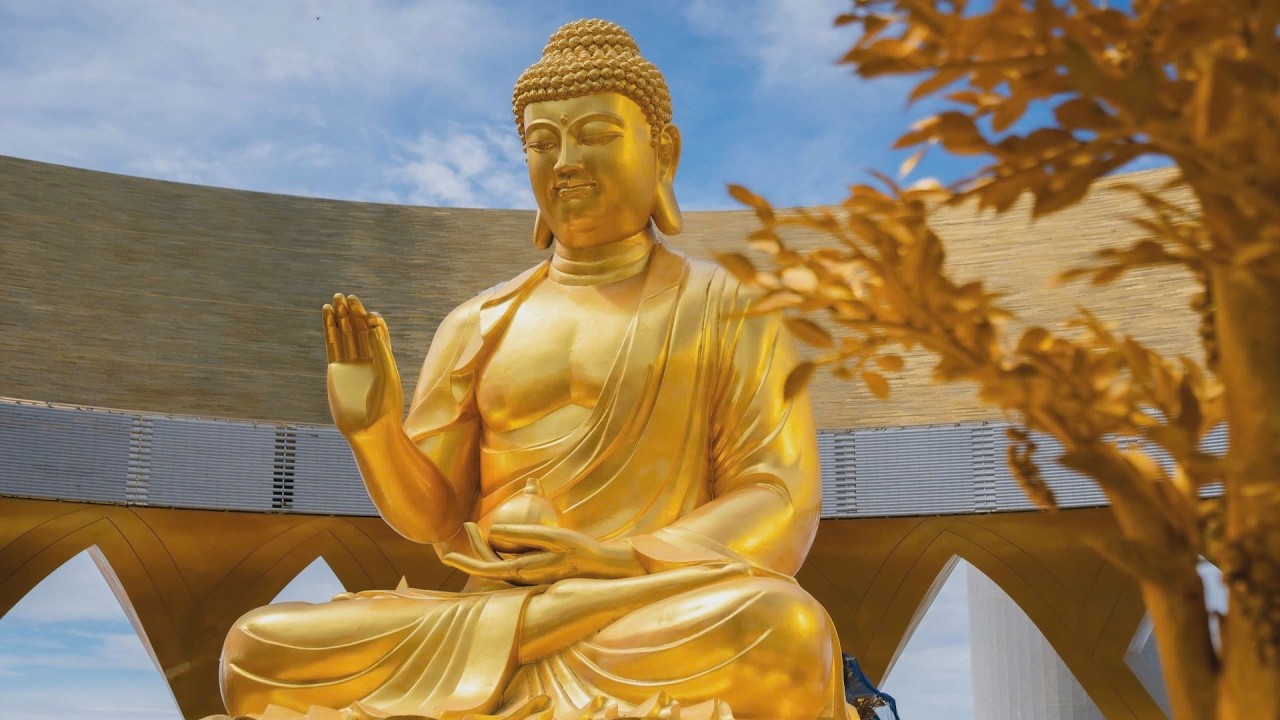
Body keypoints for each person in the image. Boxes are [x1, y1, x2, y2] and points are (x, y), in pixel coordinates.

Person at [219, 19, 849, 720]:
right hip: (481, 622)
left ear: (663, 155)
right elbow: (434, 515)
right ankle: (530, 634)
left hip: (645, 610)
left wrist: (617, 562)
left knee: (781, 628)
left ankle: (542, 635)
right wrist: (373, 431)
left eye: (596, 135)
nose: (566, 162)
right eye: (542, 143)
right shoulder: (479, 322)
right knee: (255, 648)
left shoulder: (732, 308)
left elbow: (780, 499)